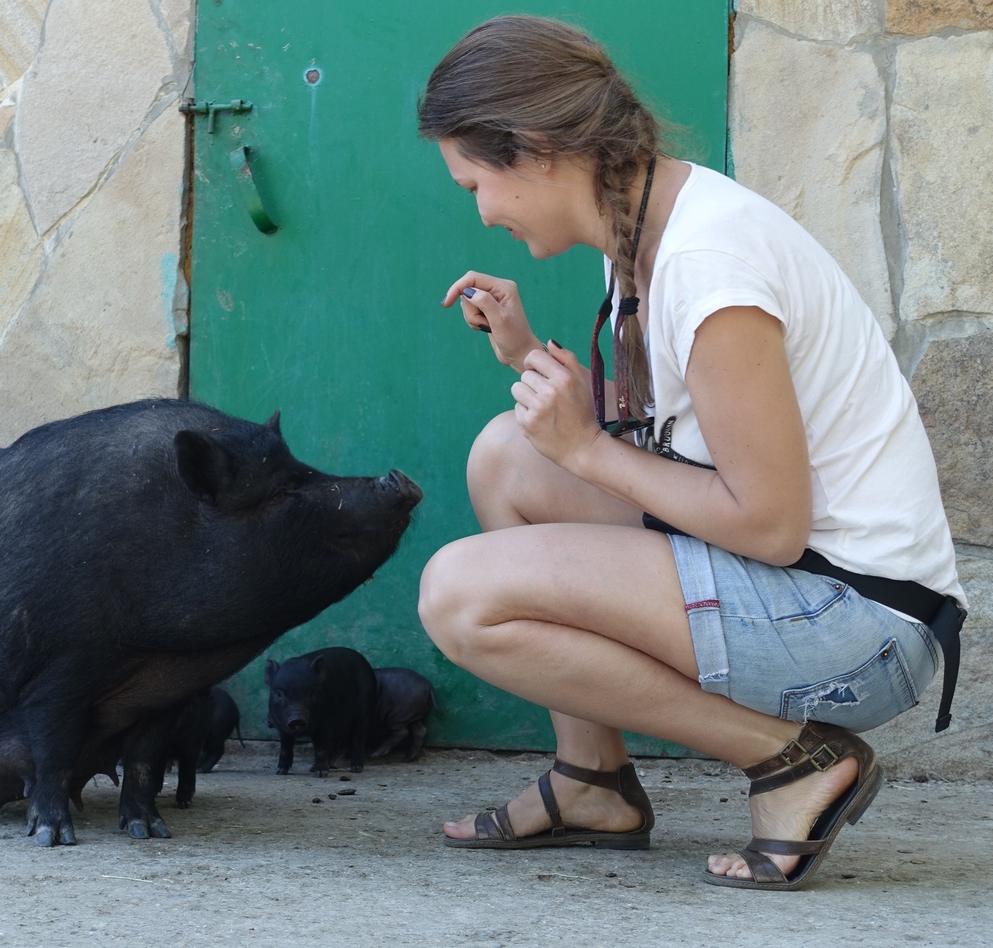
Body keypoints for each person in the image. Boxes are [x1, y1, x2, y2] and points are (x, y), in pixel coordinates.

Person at [414, 15, 966, 890]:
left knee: (459, 596)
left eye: (476, 182)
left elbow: (771, 523)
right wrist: (528, 359)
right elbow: (681, 442)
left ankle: (798, 762)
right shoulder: (643, 223)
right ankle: (593, 779)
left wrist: (587, 450)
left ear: (537, 149)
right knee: (507, 457)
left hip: (856, 624)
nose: (481, 212)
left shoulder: (709, 262)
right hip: (800, 582)